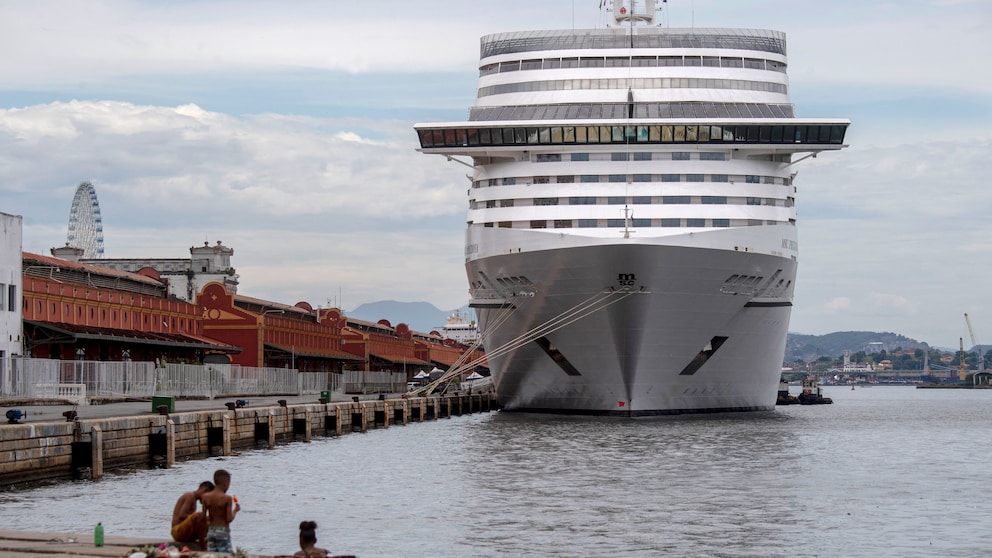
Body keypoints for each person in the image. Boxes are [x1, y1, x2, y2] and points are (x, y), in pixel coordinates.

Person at [201, 469, 240, 553]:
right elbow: (229, 519)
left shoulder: (205, 497)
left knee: (212, 555)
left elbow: (203, 518)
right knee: (224, 555)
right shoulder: (227, 499)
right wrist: (235, 510)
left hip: (211, 531)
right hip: (223, 532)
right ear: (226, 484)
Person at [171, 480, 214, 549]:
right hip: (177, 531)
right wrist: (200, 517)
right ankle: (203, 548)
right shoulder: (190, 496)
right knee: (199, 516)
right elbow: (182, 516)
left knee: (211, 520)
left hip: (186, 533)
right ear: (205, 490)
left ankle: (209, 543)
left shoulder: (194, 500)